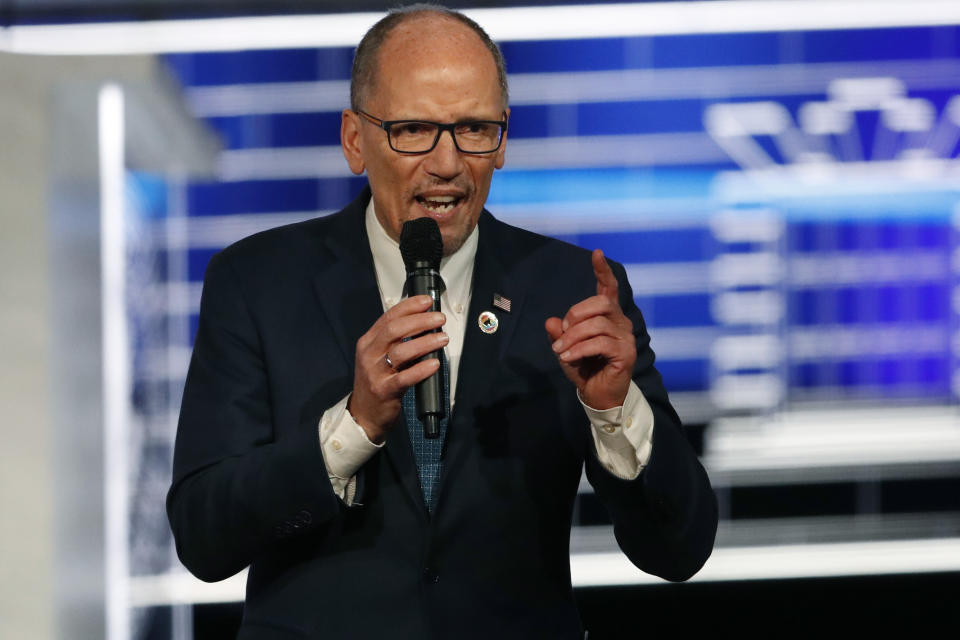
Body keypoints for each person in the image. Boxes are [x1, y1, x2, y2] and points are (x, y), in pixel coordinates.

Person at [167, 5, 717, 639]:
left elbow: (681, 549)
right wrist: (352, 428)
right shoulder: (257, 281)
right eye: (414, 130)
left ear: (503, 139)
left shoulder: (572, 292)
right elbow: (204, 539)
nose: (448, 162)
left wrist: (615, 413)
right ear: (354, 139)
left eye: (475, 129)